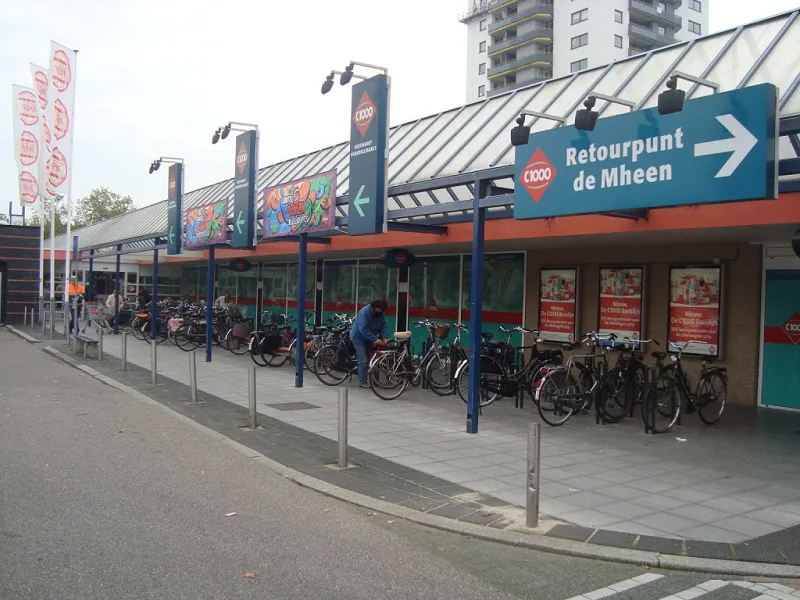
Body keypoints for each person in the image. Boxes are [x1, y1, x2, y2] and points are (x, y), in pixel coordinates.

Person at [349, 298, 389, 389]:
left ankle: (375, 381)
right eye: (378, 310)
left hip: (370, 338)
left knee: (374, 359)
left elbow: (383, 325)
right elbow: (363, 328)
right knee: (363, 360)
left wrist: (384, 337)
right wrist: (375, 339)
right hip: (358, 338)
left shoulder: (381, 314)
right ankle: (362, 382)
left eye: (381, 310)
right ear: (373, 307)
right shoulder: (364, 312)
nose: (379, 312)